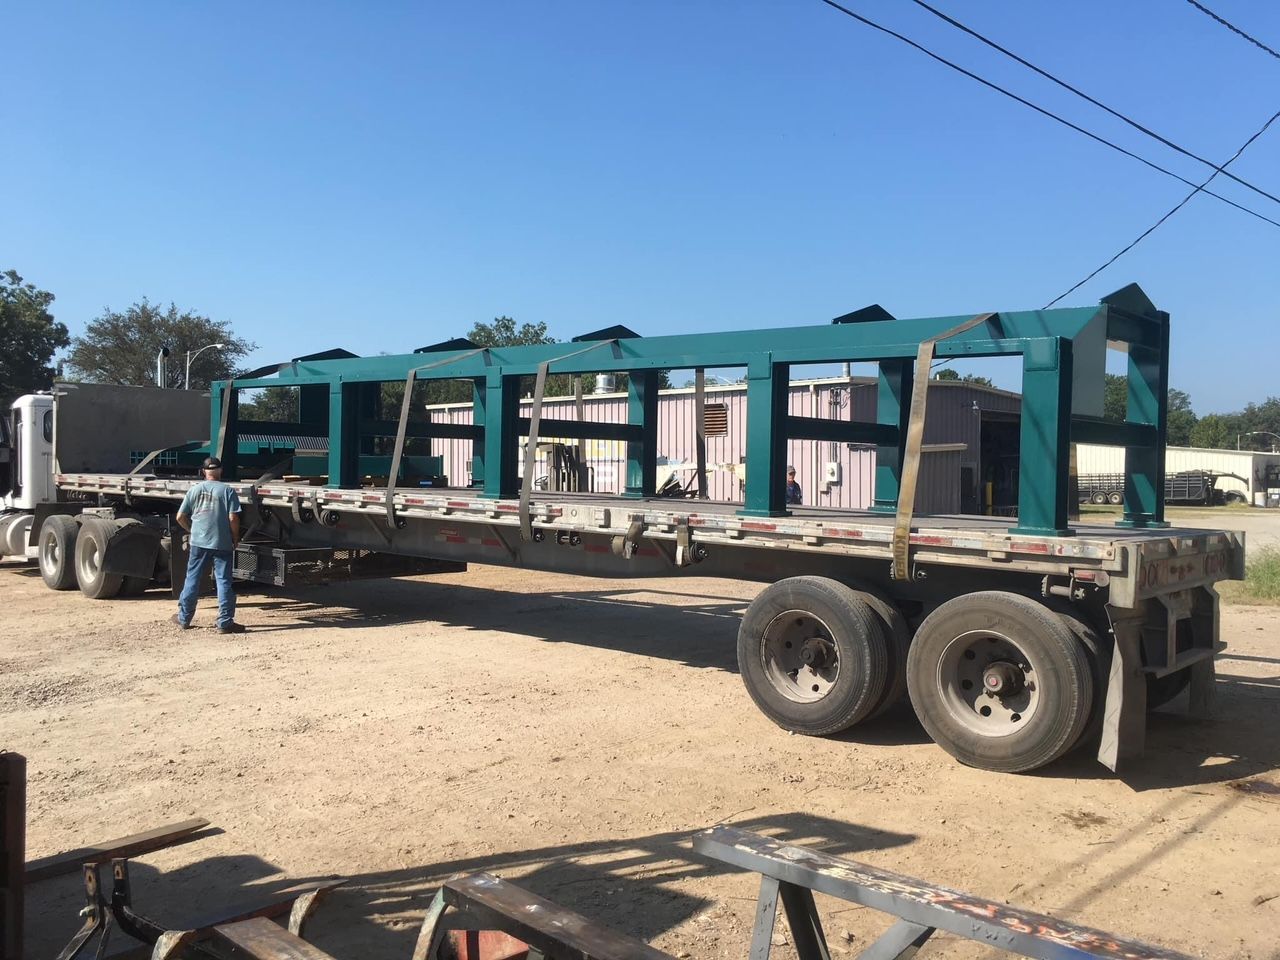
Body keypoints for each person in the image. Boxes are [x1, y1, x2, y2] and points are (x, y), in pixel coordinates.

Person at [172, 456, 246, 634]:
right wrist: (235, 537)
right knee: (223, 581)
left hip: (199, 542)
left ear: (204, 472)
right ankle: (225, 622)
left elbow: (180, 517)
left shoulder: (194, 490)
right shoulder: (227, 491)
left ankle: (184, 618)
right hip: (222, 542)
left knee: (193, 578)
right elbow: (233, 518)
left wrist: (192, 530)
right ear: (220, 470)